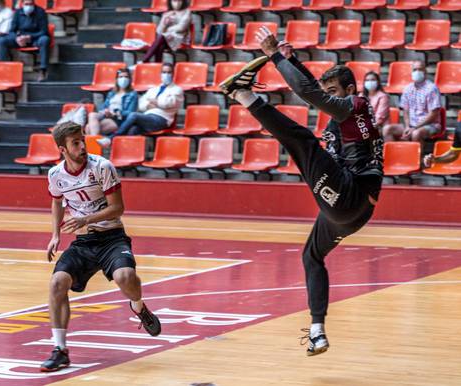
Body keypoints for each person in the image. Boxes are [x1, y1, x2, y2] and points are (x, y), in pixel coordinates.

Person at [219, 27, 383, 356]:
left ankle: (242, 95)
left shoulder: (356, 106)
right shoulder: (344, 117)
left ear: (350, 90)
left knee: (303, 142)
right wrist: (294, 61)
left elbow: (314, 96)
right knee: (311, 256)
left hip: (351, 192)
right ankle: (317, 331)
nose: (331, 96)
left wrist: (277, 57)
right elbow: (317, 92)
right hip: (353, 213)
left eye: (337, 90)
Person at [41, 121, 161, 372]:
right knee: (56, 283)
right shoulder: (55, 174)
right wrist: (55, 235)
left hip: (111, 237)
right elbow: (56, 203)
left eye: (82, 140)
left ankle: (138, 307)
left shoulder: (102, 167)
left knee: (126, 277)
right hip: (83, 242)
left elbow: (118, 208)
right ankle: (60, 350)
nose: (82, 146)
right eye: (76, 142)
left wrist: (85, 219)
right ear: (63, 149)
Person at [97, 63, 183, 148]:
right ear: (160, 74)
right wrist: (149, 105)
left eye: (169, 72)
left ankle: (111, 138)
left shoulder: (177, 90)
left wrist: (154, 101)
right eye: (164, 72)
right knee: (133, 129)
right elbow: (141, 104)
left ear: (173, 74)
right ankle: (129, 155)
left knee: (133, 115)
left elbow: (168, 103)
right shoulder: (153, 89)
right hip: (147, 117)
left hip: (161, 119)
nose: (166, 75)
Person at [383, 61, 442, 142]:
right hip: (411, 125)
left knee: (416, 133)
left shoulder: (432, 89)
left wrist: (415, 128)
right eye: (415, 70)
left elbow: (433, 114)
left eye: (420, 69)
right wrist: (407, 126)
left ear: (425, 71)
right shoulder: (408, 88)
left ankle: (418, 154)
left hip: (430, 125)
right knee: (387, 129)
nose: (417, 72)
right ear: (411, 72)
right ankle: (393, 153)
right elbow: (405, 110)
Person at [0, 0, 50, 81]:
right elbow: (12, 31)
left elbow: (44, 31)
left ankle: (43, 70)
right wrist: (17, 38)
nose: (28, 6)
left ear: (34, 3)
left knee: (45, 39)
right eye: (26, 4)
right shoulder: (18, 12)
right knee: (2, 41)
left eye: (30, 4)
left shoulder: (41, 12)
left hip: (35, 38)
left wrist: (29, 37)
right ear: (22, 4)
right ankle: (6, 70)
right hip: (21, 39)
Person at [85, 68, 138, 136]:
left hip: (118, 119)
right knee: (92, 115)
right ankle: (96, 143)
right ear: (117, 79)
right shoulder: (112, 93)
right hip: (106, 116)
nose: (123, 79)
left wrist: (115, 113)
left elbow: (131, 112)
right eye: (121, 77)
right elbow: (103, 107)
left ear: (130, 79)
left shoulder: (133, 94)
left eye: (126, 77)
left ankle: (94, 144)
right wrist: (106, 111)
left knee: (88, 128)